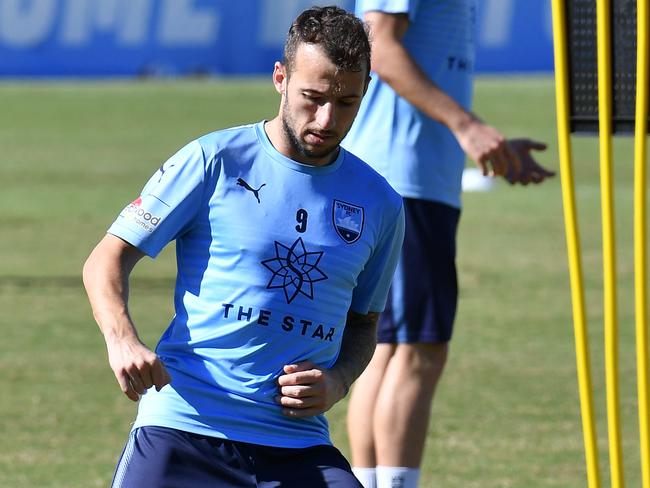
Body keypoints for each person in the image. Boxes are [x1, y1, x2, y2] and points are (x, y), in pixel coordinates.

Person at [82, 6, 405, 487]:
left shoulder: (380, 203)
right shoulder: (214, 160)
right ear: (281, 77)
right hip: (185, 428)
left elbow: (363, 324)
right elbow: (106, 258)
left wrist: (337, 382)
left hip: (298, 446)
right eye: (312, 98)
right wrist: (122, 339)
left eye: (346, 103)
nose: (326, 118)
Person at [341, 1, 556, 487]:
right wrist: (467, 126)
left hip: (409, 177)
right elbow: (380, 45)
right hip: (404, 178)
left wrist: (485, 141)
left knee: (389, 344)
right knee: (418, 347)